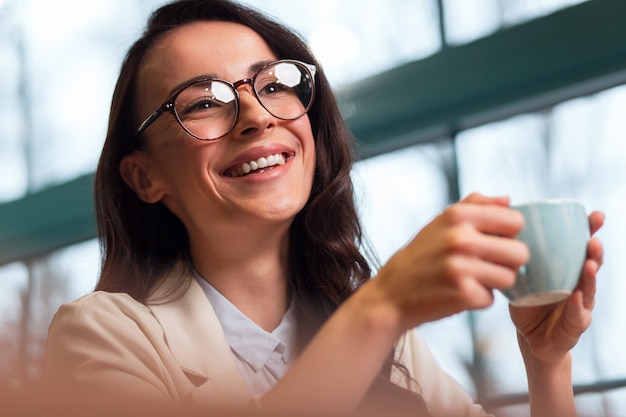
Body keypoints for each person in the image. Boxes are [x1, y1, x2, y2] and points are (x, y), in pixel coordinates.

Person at [43, 0, 605, 416]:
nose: (257, 115)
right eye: (204, 102)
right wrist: (380, 310)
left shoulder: (382, 331)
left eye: (275, 84)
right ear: (145, 177)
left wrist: (546, 362)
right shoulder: (99, 334)